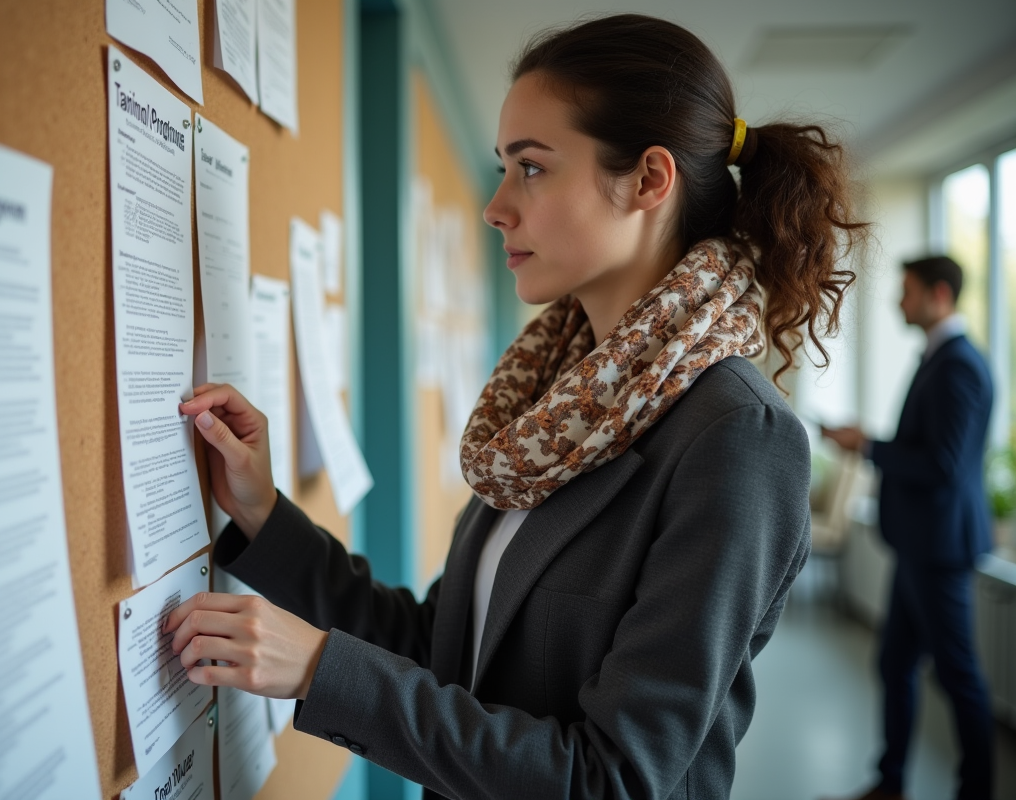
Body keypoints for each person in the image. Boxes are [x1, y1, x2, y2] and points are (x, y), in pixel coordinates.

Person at [164, 14, 865, 799]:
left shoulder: (736, 436)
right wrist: (261, 512)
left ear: (649, 180)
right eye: (504, 167)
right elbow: (443, 646)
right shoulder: (550, 409)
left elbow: (612, 779)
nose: (496, 206)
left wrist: (321, 672)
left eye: (531, 167)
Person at [823, 256, 994, 800]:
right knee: (895, 662)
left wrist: (868, 447)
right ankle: (890, 782)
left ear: (939, 295)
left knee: (957, 676)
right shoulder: (940, 358)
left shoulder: (958, 365)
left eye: (908, 291)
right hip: (920, 543)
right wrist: (868, 443)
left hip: (938, 547)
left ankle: (977, 790)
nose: (899, 301)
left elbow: (943, 465)